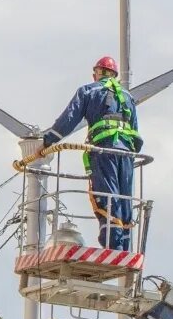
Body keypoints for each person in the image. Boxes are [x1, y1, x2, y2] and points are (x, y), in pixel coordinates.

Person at [42, 56, 143, 251]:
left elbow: (68, 120)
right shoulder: (128, 97)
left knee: (108, 194)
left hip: (104, 149)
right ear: (115, 75)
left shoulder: (88, 91)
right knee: (125, 197)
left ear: (96, 74)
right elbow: (136, 132)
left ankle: (111, 244)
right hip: (127, 153)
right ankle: (124, 246)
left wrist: (47, 141)